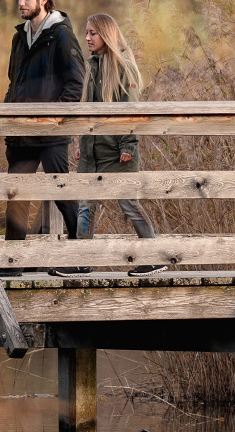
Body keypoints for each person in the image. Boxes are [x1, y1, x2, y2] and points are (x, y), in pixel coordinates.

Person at [48, 14, 163, 277]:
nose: (87, 38)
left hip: (118, 150)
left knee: (128, 203)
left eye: (93, 33)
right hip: (92, 151)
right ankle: (83, 262)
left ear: (107, 35)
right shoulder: (94, 66)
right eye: (86, 33)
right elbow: (88, 112)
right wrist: (82, 141)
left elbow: (130, 111)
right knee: (86, 204)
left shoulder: (125, 68)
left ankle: (155, 256)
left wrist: (128, 146)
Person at [1, 0, 83, 275]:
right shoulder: (19, 36)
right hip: (21, 132)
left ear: (43, 0)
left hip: (51, 135)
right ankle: (12, 264)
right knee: (16, 196)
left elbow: (75, 81)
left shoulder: (60, 34)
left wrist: (56, 118)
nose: (20, 3)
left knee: (62, 194)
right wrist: (9, 116)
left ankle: (81, 256)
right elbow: (14, 82)